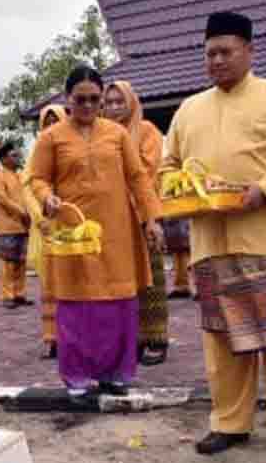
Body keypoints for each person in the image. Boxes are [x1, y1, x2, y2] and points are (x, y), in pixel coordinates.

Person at [164, 11, 266, 461]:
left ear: (249, 52)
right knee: (222, 340)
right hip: (212, 243)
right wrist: (183, 192)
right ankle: (230, 422)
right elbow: (167, 166)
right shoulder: (189, 109)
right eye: (210, 53)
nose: (216, 60)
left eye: (225, 51)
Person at [31, 66, 163, 396]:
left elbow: (138, 179)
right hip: (73, 232)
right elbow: (37, 179)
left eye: (95, 100)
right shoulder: (51, 137)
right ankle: (77, 376)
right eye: (81, 100)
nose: (88, 106)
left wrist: (152, 219)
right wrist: (47, 198)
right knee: (77, 305)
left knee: (119, 302)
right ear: (67, 99)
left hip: (117, 230)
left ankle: (118, 373)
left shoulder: (116, 134)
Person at [103, 81, 171, 365]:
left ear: (131, 103)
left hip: (143, 214)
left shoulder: (147, 131)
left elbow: (145, 170)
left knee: (151, 279)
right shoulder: (101, 134)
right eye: (110, 102)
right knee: (123, 281)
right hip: (112, 217)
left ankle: (156, 338)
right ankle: (132, 339)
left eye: (121, 101)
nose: (115, 107)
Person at [23, 105, 67, 358]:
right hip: (45, 228)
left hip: (68, 224)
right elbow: (28, 188)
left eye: (55, 120)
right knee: (49, 285)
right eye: (46, 122)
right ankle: (52, 339)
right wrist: (40, 218)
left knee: (71, 284)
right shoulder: (36, 152)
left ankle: (71, 336)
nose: (51, 126)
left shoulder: (69, 146)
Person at [0, 141, 32, 308]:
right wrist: (22, 211)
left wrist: (31, 212)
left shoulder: (21, 176)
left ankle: (20, 294)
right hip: (6, 226)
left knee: (21, 262)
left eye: (18, 155)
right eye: (13, 155)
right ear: (3, 159)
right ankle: (7, 295)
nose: (17, 158)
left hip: (23, 225)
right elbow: (2, 199)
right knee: (8, 263)